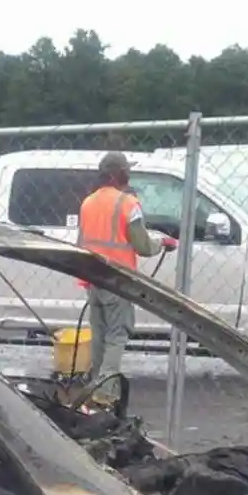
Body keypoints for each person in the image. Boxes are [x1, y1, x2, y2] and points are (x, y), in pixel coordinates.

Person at [76, 152, 176, 405]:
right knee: (117, 336)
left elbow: (82, 242)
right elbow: (142, 245)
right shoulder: (128, 204)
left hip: (92, 277)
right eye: (126, 170)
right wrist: (163, 242)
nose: (129, 174)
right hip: (117, 280)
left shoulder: (88, 202)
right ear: (118, 173)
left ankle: (94, 387)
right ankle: (105, 394)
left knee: (99, 336)